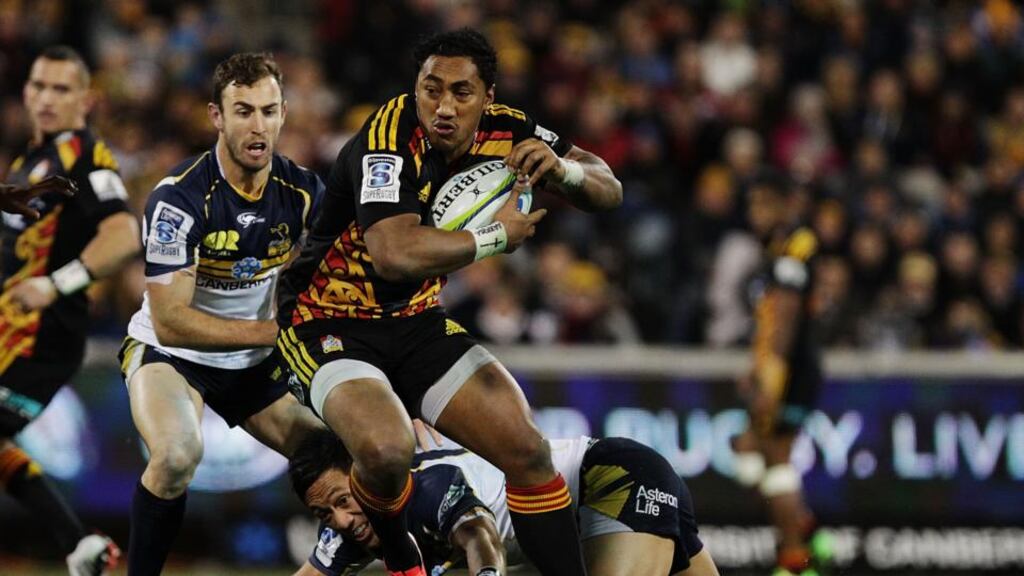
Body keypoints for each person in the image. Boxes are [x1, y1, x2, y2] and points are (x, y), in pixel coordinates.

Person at [278, 28, 621, 576]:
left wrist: (564, 170)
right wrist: (496, 237)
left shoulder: (509, 128)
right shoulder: (387, 139)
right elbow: (392, 253)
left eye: (461, 93)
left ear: (488, 97)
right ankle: (403, 562)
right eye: (430, 89)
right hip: (326, 321)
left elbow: (609, 188)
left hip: (415, 321)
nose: (442, 106)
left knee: (527, 452)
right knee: (387, 451)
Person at [120, 52, 326, 575]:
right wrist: (273, 332)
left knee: (346, 456)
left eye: (269, 110)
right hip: (173, 355)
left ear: (284, 113)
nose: (258, 126)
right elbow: (171, 321)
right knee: (176, 456)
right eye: (243, 111)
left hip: (253, 365)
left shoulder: (303, 192)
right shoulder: (179, 199)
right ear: (216, 116)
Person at [0, 45, 140, 576]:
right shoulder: (30, 161)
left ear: (87, 99)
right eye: (38, 86)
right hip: (10, 331)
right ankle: (78, 545)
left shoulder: (87, 158)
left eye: (61, 89)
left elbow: (124, 233)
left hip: (42, 337)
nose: (46, 98)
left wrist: (57, 284)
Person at [289, 429, 719, 576]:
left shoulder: (424, 485)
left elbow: (480, 537)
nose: (341, 520)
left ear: (366, 473)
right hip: (619, 483)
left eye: (343, 500)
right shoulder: (353, 525)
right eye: (323, 513)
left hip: (613, 478)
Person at [730, 178, 830, 576]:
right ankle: (810, 533)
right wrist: (756, 368)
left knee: (775, 460)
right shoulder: (774, 250)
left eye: (763, 205)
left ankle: (794, 562)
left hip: (791, 373)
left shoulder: (795, 249)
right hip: (777, 369)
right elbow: (769, 319)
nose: (756, 214)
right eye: (752, 206)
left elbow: (786, 316)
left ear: (783, 206)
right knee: (749, 453)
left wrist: (770, 378)